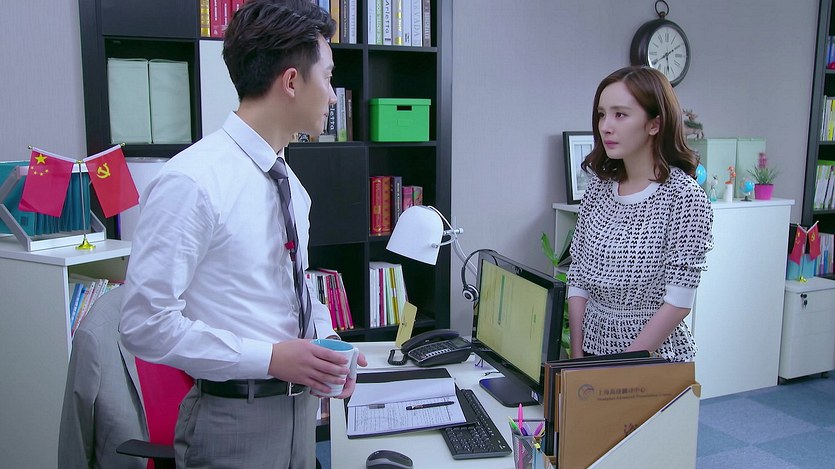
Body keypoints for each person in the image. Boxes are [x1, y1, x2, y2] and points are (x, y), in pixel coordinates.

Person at [119, 1, 366, 467]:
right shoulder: (193, 181)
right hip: (232, 419)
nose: (334, 97)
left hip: (299, 412)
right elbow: (143, 323)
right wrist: (270, 358)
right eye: (329, 77)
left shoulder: (290, 185)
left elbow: (291, 288)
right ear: (291, 82)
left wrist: (328, 345)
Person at [567, 66, 713, 363]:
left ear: (654, 124)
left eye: (620, 115)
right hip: (591, 352)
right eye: (602, 115)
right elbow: (578, 277)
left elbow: (678, 302)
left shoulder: (684, 197)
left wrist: (619, 369)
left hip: (652, 360)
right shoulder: (598, 189)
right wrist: (578, 355)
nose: (606, 126)